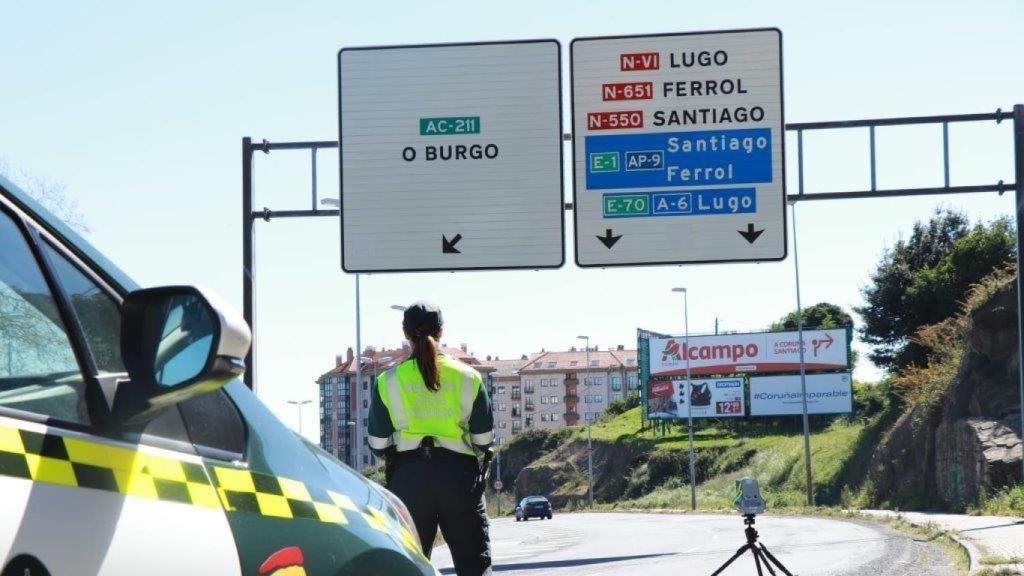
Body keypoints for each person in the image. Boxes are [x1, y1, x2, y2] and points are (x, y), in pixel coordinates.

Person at [367, 301, 494, 576]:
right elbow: (484, 440)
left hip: (409, 481)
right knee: (474, 566)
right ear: (442, 331)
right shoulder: (469, 377)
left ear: (405, 334)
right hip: (459, 479)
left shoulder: (387, 381)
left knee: (408, 567)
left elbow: (378, 444)